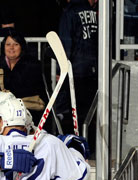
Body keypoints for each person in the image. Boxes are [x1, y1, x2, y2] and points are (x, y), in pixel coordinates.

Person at [56, 0, 98, 150]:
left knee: (74, 112)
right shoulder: (95, 13)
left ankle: (75, 148)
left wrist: (61, 69)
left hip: (76, 70)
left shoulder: (70, 12)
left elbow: (65, 43)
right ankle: (90, 147)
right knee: (90, 114)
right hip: (93, 70)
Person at [0, 31, 48, 122]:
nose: (11, 48)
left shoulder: (33, 64)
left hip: (27, 111)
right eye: (8, 44)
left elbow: (38, 90)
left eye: (16, 44)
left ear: (22, 47)